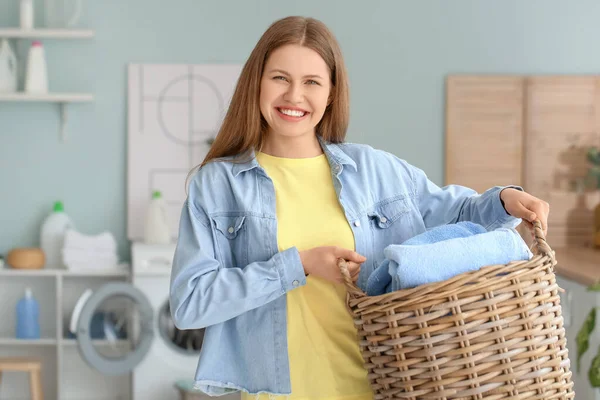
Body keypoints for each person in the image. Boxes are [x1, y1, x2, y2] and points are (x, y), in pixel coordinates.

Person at [169, 15, 550, 400]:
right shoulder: (217, 186)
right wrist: (298, 265)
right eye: (280, 78)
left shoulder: (376, 170)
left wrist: (505, 199)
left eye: (312, 82)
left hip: (384, 387)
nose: (294, 96)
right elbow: (189, 303)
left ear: (331, 93)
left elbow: (461, 218)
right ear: (257, 82)